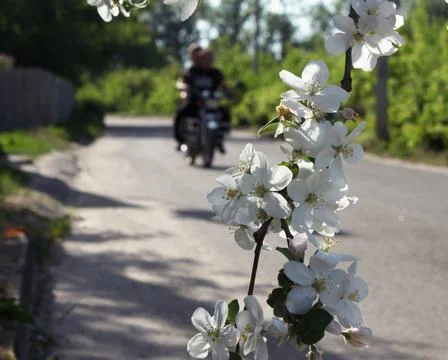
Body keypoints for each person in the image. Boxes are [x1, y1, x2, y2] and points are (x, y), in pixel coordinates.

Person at [173, 47, 233, 153]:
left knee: (225, 113)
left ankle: (219, 140)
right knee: (181, 112)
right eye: (205, 58)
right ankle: (180, 140)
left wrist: (230, 93)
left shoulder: (216, 72)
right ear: (200, 59)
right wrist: (185, 88)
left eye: (209, 58)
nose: (207, 61)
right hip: (195, 102)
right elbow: (183, 82)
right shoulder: (192, 71)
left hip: (212, 102)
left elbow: (224, 85)